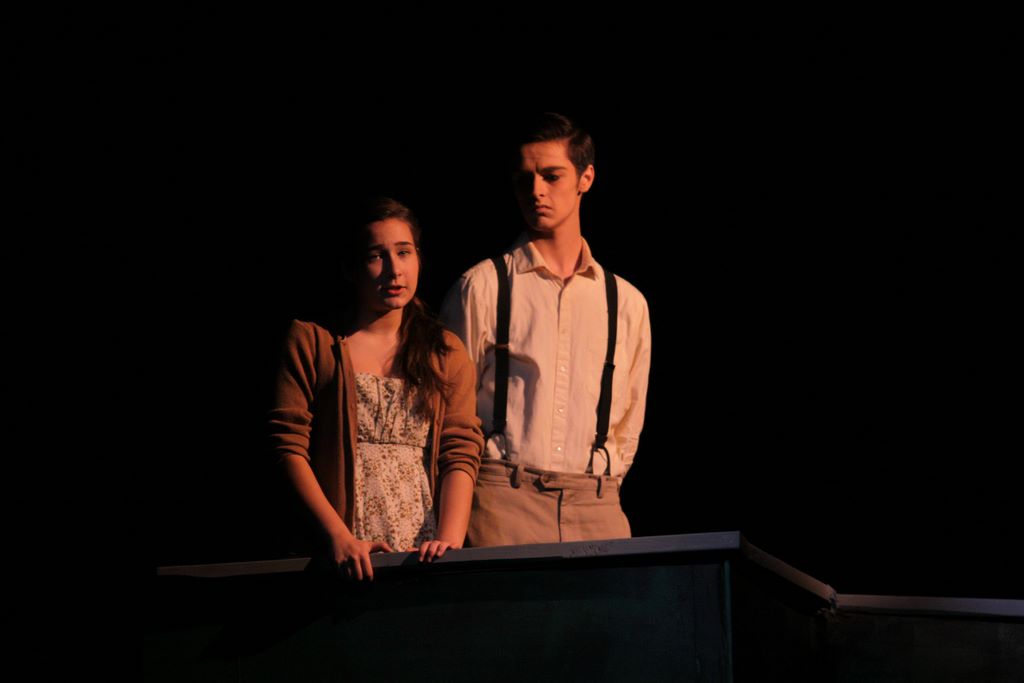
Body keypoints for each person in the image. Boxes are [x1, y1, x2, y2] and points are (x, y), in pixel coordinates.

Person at [440, 113, 652, 547]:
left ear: (585, 178)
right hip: (501, 499)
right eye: (525, 179)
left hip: (596, 504)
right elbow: (446, 409)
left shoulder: (627, 302)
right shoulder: (482, 287)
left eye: (552, 176)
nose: (536, 191)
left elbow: (629, 419)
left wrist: (604, 476)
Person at [270, 197, 484, 579]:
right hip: (342, 550)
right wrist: (338, 536)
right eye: (376, 256)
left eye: (404, 252)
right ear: (351, 268)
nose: (394, 269)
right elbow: (288, 447)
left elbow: (460, 450)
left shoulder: (444, 352)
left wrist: (448, 542)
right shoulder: (314, 342)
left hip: (420, 552)